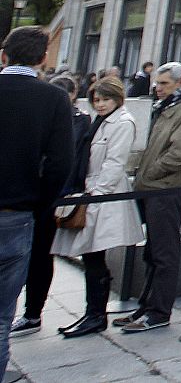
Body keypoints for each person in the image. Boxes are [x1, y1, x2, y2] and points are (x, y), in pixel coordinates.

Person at [2, 29, 77, 374]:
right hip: (18, 212)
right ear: (43, 59)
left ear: (4, 56)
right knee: (3, 316)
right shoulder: (53, 99)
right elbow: (62, 162)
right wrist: (39, 201)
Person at [116, 62, 181, 333]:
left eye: (164, 83)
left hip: (165, 189)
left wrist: (152, 171)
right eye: (157, 83)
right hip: (152, 187)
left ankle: (159, 311)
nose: (158, 88)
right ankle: (147, 305)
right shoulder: (166, 108)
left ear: (180, 82)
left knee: (164, 252)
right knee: (153, 252)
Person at [53, 77, 142, 338]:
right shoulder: (101, 121)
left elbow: (115, 162)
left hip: (102, 195)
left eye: (105, 99)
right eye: (97, 100)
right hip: (90, 190)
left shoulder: (122, 122)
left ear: (117, 99)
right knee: (91, 255)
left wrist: (97, 194)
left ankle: (96, 314)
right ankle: (93, 312)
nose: (100, 105)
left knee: (94, 255)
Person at [13, 74, 89, 339]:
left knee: (41, 257)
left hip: (53, 195)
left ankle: (33, 311)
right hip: (30, 193)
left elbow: (71, 159)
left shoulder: (81, 120)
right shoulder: (39, 113)